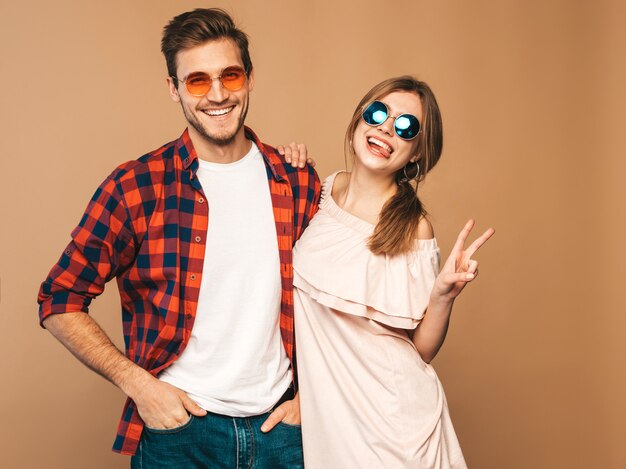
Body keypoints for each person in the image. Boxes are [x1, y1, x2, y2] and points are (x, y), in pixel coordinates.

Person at [37, 8, 319, 468]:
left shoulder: (295, 180)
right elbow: (59, 299)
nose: (218, 94)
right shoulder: (136, 186)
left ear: (249, 78)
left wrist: (315, 399)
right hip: (181, 434)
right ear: (173, 89)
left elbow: (335, 300)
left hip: (283, 432)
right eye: (197, 81)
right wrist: (140, 386)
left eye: (230, 75)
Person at [293, 76, 494, 468]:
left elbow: (420, 350)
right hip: (333, 424)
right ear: (358, 122)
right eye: (379, 113)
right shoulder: (320, 191)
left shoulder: (414, 229)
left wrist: (442, 296)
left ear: (416, 152)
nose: (387, 127)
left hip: (394, 427)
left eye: (406, 126)